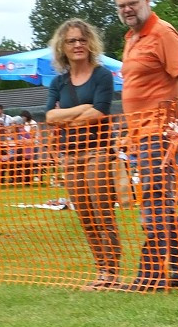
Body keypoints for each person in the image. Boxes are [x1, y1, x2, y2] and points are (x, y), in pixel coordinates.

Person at [112, 0, 178, 291]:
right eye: (122, 6)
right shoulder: (131, 38)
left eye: (132, 3)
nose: (127, 10)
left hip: (160, 134)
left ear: (146, 0)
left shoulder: (162, 32)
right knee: (158, 204)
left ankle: (151, 276)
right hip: (140, 136)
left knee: (154, 205)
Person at [46, 17, 122, 289]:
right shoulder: (58, 82)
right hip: (70, 155)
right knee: (85, 215)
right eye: (71, 41)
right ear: (62, 47)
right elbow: (50, 116)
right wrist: (81, 110)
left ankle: (113, 273)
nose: (78, 44)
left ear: (90, 43)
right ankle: (101, 271)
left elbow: (100, 111)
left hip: (98, 151)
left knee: (103, 213)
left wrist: (68, 117)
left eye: (82, 39)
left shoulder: (102, 74)